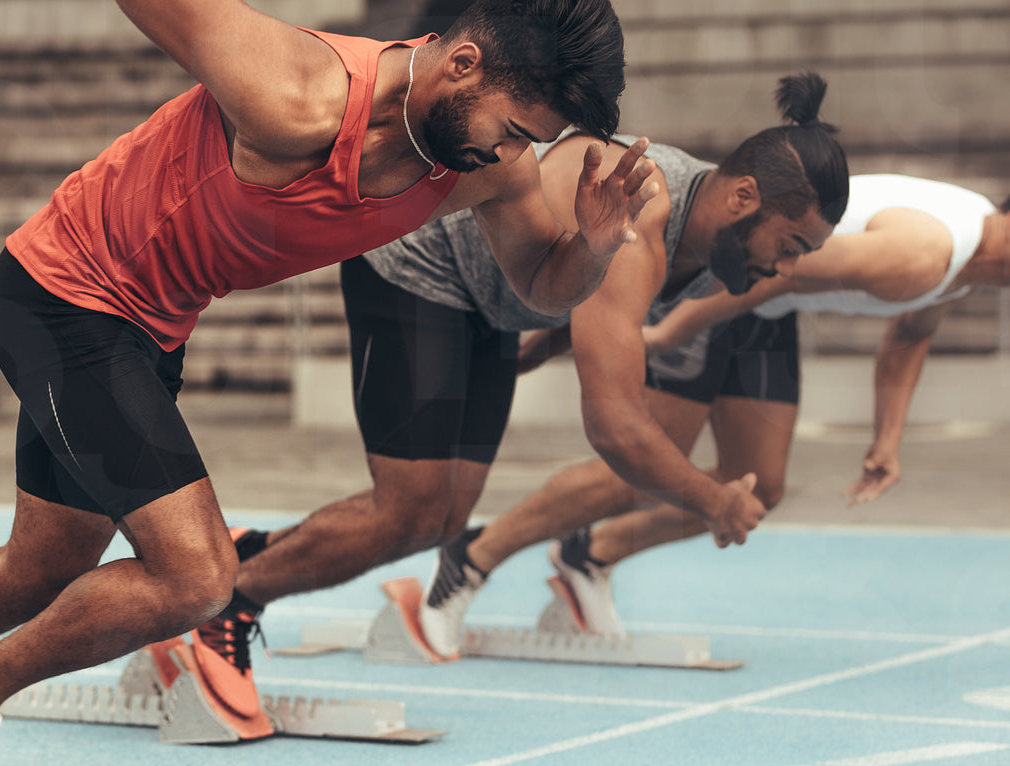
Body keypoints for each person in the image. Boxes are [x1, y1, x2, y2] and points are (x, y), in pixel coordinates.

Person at [0, 0, 658, 766]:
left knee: (40, 570)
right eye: (511, 130)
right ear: (463, 64)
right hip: (64, 295)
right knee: (199, 577)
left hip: (150, 329)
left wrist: (591, 247)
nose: (508, 154)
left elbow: (540, 284)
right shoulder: (295, 91)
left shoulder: (487, 170)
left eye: (526, 142)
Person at [180, 72, 844, 676]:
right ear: (743, 197)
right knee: (409, 510)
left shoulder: (716, 243)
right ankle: (229, 602)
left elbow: (593, 288)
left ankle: (250, 554)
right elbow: (615, 427)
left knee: (444, 521)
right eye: (790, 246)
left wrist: (551, 341)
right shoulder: (642, 215)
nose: (787, 271)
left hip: (495, 306)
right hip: (418, 266)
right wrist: (714, 501)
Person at [417, 174, 1010, 646]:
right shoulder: (923, 252)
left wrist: (887, 439)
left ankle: (589, 554)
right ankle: (470, 559)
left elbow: (911, 333)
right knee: (646, 462)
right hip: (723, 283)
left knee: (757, 485)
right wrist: (674, 328)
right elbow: (784, 270)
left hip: (767, 313)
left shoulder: (967, 263)